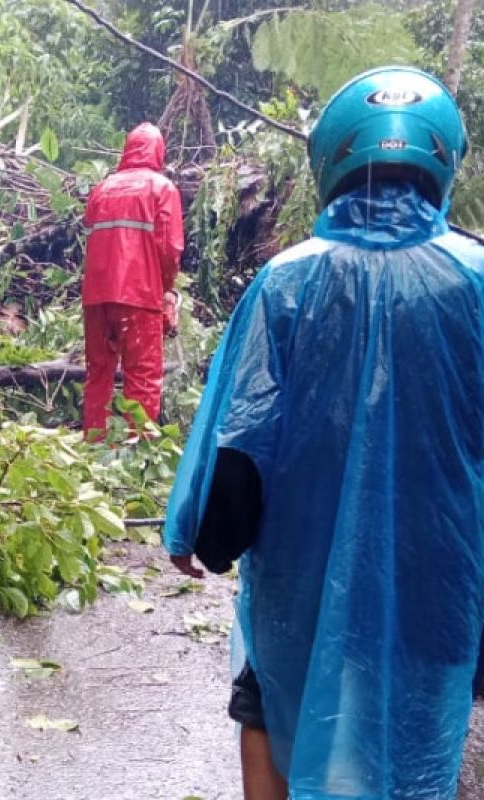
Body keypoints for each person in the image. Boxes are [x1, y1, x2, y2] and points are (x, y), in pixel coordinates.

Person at [164, 66, 484, 800]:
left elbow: (236, 437)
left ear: (331, 160)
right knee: (429, 704)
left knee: (265, 697)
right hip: (447, 572)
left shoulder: (286, 283)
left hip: (302, 572)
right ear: (442, 161)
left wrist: (195, 532)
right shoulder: (476, 281)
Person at [80, 122, 184, 438]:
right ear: (158, 152)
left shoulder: (102, 189)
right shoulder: (162, 188)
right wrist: (165, 290)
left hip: (96, 297)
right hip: (139, 295)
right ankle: (134, 455)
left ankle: (93, 443)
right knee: (142, 378)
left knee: (99, 374)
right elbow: (169, 249)